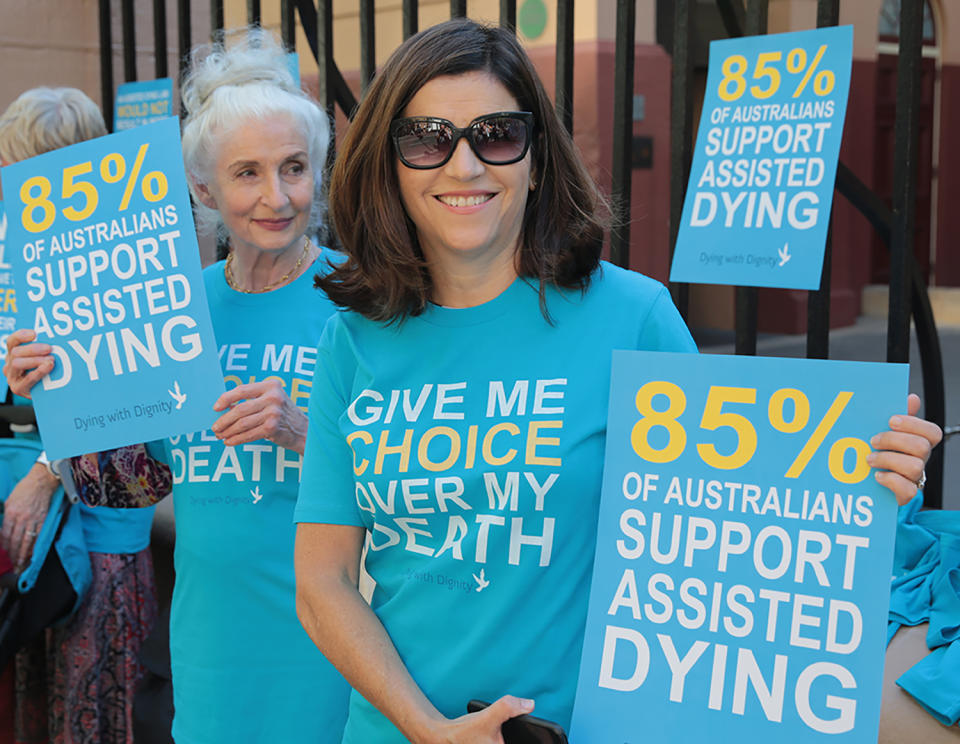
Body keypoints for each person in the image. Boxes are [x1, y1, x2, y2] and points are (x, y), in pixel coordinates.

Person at [292, 18, 944, 744]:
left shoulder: (633, 317)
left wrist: (861, 476)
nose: (464, 165)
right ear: (392, 163)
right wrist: (426, 728)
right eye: (428, 137)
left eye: (497, 133)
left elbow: (733, 521)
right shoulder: (351, 341)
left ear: (536, 160)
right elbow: (323, 582)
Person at [4, 31, 350, 743]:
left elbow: (416, 488)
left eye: (294, 168)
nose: (276, 197)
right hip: (210, 646)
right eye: (247, 173)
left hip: (334, 644)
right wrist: (57, 395)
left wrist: (302, 431)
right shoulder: (172, 306)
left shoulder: (362, 302)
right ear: (203, 188)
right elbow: (132, 487)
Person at [0, 87, 162, 744]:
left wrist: (45, 473)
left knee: (95, 705)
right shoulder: (13, 240)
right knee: (35, 697)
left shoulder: (128, 246)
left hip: (101, 520)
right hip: (30, 518)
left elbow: (135, 382)